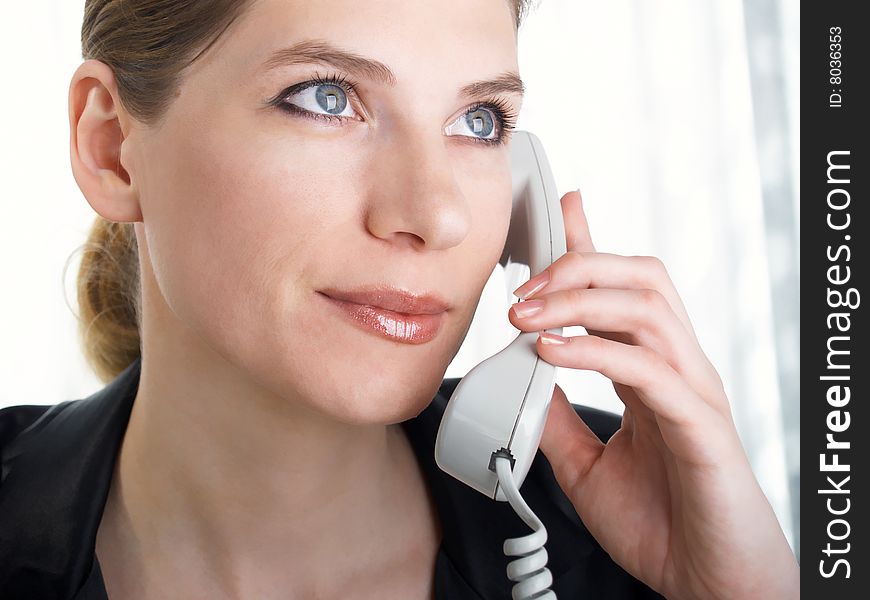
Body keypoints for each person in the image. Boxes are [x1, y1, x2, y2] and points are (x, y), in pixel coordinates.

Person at [0, 0, 800, 598]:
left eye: (479, 120)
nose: (436, 215)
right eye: (323, 97)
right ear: (112, 148)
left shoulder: (614, 538)